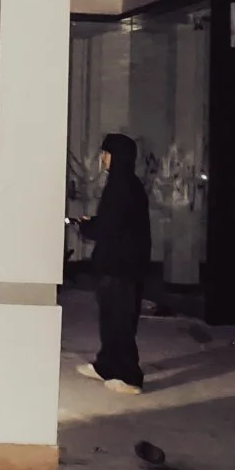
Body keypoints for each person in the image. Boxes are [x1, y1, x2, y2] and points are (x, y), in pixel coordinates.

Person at [75, 132, 150, 395]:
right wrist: (93, 224)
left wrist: (88, 227)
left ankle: (129, 376)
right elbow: (113, 222)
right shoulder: (122, 184)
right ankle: (106, 366)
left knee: (121, 321)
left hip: (123, 267)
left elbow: (111, 228)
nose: (103, 158)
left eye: (106, 154)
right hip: (114, 264)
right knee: (110, 318)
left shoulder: (123, 187)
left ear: (118, 157)